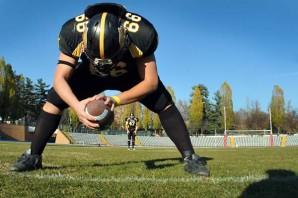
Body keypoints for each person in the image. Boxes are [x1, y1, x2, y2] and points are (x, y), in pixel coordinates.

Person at [10, 3, 209, 176]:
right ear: (85, 38)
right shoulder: (72, 31)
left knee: (163, 103)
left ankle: (190, 156)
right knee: (54, 101)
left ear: (124, 37)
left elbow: (150, 82)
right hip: (89, 74)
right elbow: (60, 79)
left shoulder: (141, 32)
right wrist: (77, 106)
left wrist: (116, 100)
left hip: (128, 73)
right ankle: (33, 156)